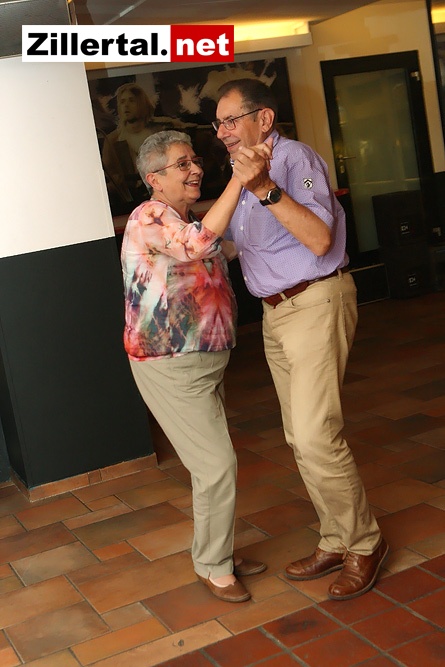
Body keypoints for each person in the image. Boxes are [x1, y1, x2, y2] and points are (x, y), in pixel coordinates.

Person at [214, 78, 388, 601]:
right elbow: (239, 246)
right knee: (298, 436)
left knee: (316, 435)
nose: (221, 132)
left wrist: (264, 187)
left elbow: (319, 238)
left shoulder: (295, 160)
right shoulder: (241, 171)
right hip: (275, 314)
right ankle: (335, 537)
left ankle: (365, 542)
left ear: (264, 119)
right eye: (217, 123)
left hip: (315, 301)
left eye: (230, 120)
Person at [121, 130, 267, 603]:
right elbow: (197, 246)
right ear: (154, 179)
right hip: (171, 365)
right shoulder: (148, 217)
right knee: (216, 465)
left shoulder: (184, 218)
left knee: (215, 464)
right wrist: (240, 180)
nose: (196, 169)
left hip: (204, 361)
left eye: (195, 160)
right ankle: (212, 564)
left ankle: (219, 551)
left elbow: (220, 248)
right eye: (182, 164)